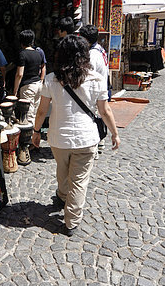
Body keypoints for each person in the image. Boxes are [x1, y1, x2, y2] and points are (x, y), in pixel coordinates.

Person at [31, 35, 119, 236]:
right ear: (84, 56)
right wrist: (114, 133)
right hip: (86, 139)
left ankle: (62, 195)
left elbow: (41, 111)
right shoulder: (97, 79)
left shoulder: (52, 79)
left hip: (58, 138)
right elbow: (105, 111)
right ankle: (71, 221)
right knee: (79, 181)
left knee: (62, 169)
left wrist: (36, 132)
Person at [78, 25, 109, 158]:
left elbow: (89, 74)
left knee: (93, 118)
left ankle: (94, 149)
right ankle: (100, 143)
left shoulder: (92, 55)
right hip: (101, 88)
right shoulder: (99, 49)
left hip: (96, 91)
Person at [13, 30, 45, 127]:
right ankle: (36, 132)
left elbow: (19, 74)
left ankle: (30, 137)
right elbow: (41, 68)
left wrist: (15, 91)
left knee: (29, 114)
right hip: (38, 85)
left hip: (28, 87)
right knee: (35, 111)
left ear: (21, 42)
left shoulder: (22, 54)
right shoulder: (38, 53)